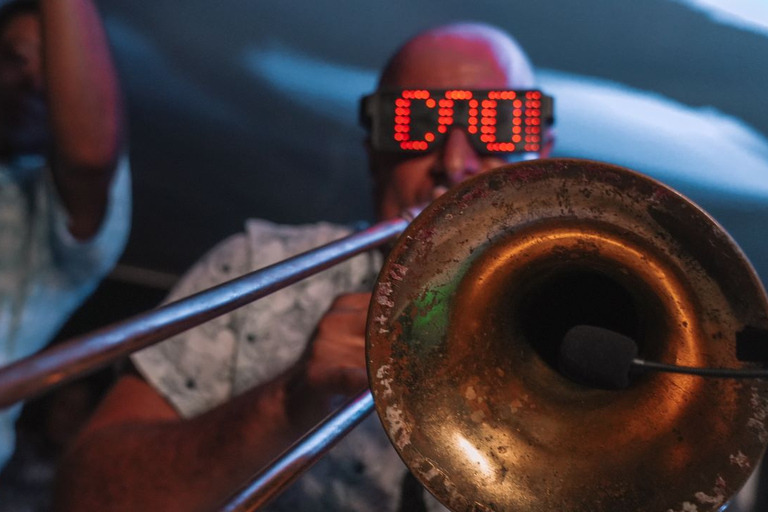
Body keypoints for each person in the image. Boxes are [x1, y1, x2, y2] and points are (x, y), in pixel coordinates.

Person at [54, 22, 552, 512]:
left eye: (499, 123)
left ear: (541, 155)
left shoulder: (597, 313)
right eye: (415, 122)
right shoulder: (258, 267)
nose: (455, 160)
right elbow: (85, 498)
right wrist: (287, 402)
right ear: (374, 154)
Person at [0, 0, 129, 472]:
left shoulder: (57, 218)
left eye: (52, 64)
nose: (36, 79)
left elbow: (88, 157)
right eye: (15, 57)